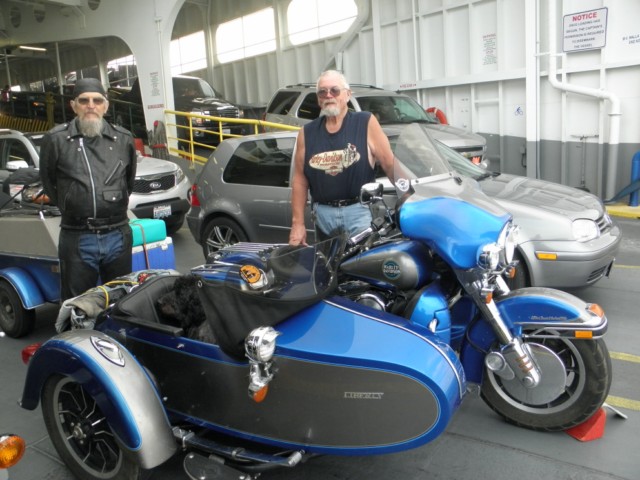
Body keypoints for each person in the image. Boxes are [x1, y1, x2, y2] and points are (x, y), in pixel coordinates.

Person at [39, 77, 137, 301]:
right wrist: (73, 202)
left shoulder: (123, 139)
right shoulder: (55, 140)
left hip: (117, 234)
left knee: (122, 301)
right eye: (84, 100)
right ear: (73, 105)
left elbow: (128, 182)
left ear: (106, 106)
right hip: (77, 236)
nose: (91, 105)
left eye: (97, 100)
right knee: (77, 305)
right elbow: (49, 183)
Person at [289, 70, 397, 246]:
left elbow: (389, 164)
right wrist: (297, 224)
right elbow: (300, 180)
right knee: (327, 264)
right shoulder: (306, 133)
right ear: (318, 99)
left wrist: (409, 195)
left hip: (360, 214)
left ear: (347, 95)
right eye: (322, 92)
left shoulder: (365, 122)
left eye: (334, 90)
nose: (328, 95)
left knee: (363, 262)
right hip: (323, 218)